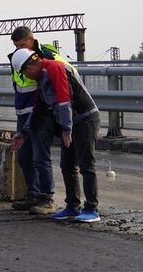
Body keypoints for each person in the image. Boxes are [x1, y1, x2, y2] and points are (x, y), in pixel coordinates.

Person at [11, 48, 102, 223]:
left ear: (28, 68)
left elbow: (64, 100)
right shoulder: (42, 76)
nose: (26, 77)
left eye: (23, 73)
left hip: (85, 119)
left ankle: (92, 208)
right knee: (67, 165)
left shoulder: (55, 68)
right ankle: (72, 207)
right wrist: (23, 134)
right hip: (72, 122)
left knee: (86, 164)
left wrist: (67, 130)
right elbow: (39, 109)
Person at [6, 27, 72, 215]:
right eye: (15, 45)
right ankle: (33, 195)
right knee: (25, 157)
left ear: (31, 40)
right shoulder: (16, 58)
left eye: (21, 44)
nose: (18, 48)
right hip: (24, 111)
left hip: (42, 111)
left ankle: (46, 198)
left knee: (40, 156)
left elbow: (60, 78)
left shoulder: (47, 54)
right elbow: (18, 84)